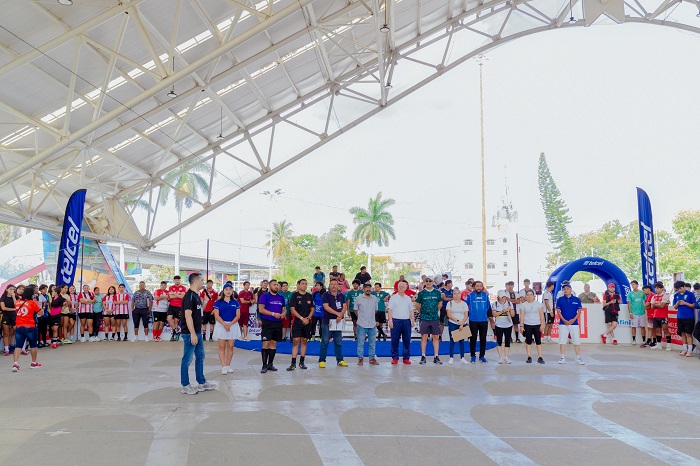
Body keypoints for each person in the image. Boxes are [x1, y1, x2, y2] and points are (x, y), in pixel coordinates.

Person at [180, 273, 214, 395]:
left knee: (200, 357)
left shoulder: (196, 296)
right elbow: (188, 316)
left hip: (198, 332)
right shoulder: (189, 296)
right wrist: (193, 334)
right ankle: (185, 385)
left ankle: (201, 382)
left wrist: (205, 301)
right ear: (195, 282)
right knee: (187, 359)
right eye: (201, 280)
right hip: (190, 333)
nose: (203, 282)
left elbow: (199, 312)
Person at [11, 285, 43, 372]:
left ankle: (15, 364)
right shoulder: (32, 302)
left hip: (19, 326)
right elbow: (41, 313)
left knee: (18, 346)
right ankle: (33, 363)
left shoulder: (17, 302)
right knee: (33, 345)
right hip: (30, 326)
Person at [258, 279, 285, 373]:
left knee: (273, 344)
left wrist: (283, 314)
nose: (276, 286)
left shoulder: (281, 297)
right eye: (274, 285)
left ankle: (270, 364)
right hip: (267, 322)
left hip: (277, 323)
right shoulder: (264, 296)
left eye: (277, 285)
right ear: (269, 286)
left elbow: (284, 309)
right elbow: (261, 309)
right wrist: (273, 314)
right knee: (266, 343)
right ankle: (264, 365)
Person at [319, 278, 348, 368]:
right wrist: (337, 314)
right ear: (329, 285)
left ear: (338, 285)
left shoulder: (341, 295)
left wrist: (341, 315)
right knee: (325, 341)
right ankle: (322, 360)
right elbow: (326, 307)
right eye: (332, 284)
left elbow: (344, 306)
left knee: (338, 341)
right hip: (328, 321)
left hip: (338, 322)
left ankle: (340, 360)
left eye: (335, 284)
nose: (334, 286)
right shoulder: (325, 295)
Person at [212, 283, 240, 374]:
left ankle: (228, 365)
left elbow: (238, 315)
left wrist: (230, 324)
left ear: (232, 291)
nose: (228, 291)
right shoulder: (218, 302)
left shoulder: (235, 302)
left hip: (232, 325)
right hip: (221, 325)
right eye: (226, 289)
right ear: (223, 291)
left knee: (231, 346)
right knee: (222, 346)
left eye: (230, 289)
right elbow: (216, 315)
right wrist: (224, 324)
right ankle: (223, 366)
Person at [287, 278, 315, 371]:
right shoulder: (294, 295)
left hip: (307, 322)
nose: (304, 285)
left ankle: (302, 362)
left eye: (306, 284)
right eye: (302, 283)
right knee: (296, 341)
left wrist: (308, 318)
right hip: (297, 322)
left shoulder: (309, 296)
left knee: (304, 341)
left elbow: (312, 309)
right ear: (298, 285)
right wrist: (301, 318)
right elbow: (292, 309)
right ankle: (293, 363)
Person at [554, 283, 585, 365]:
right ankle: (562, 357)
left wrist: (573, 319)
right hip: (563, 323)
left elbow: (579, 311)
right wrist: (564, 320)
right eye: (564, 289)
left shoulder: (576, 299)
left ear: (571, 290)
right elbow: (558, 311)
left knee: (576, 341)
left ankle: (578, 357)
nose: (566, 290)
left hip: (574, 323)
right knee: (562, 341)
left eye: (567, 289)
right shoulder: (560, 300)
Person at [415, 277, 443, 365]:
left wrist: (434, 312)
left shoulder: (437, 293)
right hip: (424, 318)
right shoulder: (421, 293)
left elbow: (440, 304)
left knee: (435, 337)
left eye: (430, 281)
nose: (428, 282)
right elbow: (417, 304)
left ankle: (436, 356)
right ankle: (423, 356)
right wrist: (422, 312)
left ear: (433, 282)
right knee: (424, 337)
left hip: (434, 318)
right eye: (426, 281)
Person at [387, 281, 415, 364]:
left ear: (406, 288)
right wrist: (390, 320)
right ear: (397, 287)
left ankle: (406, 357)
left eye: (403, 286)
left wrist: (412, 320)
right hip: (396, 321)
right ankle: (395, 357)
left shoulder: (408, 298)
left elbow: (411, 310)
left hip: (406, 321)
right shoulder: (393, 298)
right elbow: (390, 310)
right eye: (400, 286)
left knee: (407, 340)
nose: (401, 288)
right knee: (395, 340)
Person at [466, 281, 491, 363]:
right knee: (473, 339)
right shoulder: (470, 295)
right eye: (477, 286)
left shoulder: (485, 296)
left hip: (483, 320)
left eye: (480, 286)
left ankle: (482, 356)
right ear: (474, 287)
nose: (479, 288)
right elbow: (466, 307)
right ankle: (472, 356)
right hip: (473, 321)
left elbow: (487, 307)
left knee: (483, 339)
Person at [354, 283, 379, 365]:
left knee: (372, 343)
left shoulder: (374, 298)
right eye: (366, 288)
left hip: (372, 324)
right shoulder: (358, 298)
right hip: (361, 324)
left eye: (369, 288)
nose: (368, 289)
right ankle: (360, 358)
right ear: (363, 289)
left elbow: (375, 311)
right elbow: (355, 310)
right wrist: (362, 316)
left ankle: (372, 358)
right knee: (360, 343)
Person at [519, 289, 545, 364]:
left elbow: (541, 315)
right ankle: (529, 356)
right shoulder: (523, 305)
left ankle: (540, 357)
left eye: (531, 295)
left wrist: (542, 324)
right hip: (527, 325)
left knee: (538, 341)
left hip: (537, 324)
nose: (529, 296)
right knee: (528, 341)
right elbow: (522, 316)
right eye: (528, 295)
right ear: (525, 296)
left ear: (534, 296)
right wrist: (521, 326)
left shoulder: (538, 304)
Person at [672, 280, 695, 357]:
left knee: (688, 334)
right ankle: (684, 349)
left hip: (689, 317)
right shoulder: (676, 295)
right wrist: (677, 304)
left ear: (684, 286)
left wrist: (685, 303)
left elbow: (693, 305)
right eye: (678, 289)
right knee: (682, 333)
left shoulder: (690, 294)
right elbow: (674, 307)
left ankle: (689, 350)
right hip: (680, 316)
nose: (679, 290)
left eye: (680, 288)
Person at [446, 287, 468, 365]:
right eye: (455, 294)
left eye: (458, 293)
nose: (456, 295)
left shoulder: (464, 303)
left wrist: (462, 323)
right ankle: (451, 357)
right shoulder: (450, 303)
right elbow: (449, 314)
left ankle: (462, 357)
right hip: (453, 323)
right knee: (452, 340)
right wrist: (457, 321)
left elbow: (466, 315)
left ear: (460, 294)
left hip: (462, 323)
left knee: (462, 341)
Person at [492, 290, 514, 364]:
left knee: (507, 341)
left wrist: (509, 309)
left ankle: (506, 357)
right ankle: (500, 357)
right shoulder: (495, 304)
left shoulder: (509, 303)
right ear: (498, 297)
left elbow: (513, 314)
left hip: (508, 324)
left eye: (505, 297)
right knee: (499, 341)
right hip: (499, 325)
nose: (504, 298)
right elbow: (494, 314)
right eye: (502, 297)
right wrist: (502, 311)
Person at [649, 282, 672, 351]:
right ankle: (659, 345)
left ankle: (669, 345)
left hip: (663, 316)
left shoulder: (665, 296)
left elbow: (662, 306)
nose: (656, 289)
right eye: (655, 288)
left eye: (658, 288)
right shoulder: (654, 296)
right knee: (657, 330)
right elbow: (652, 307)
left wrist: (657, 305)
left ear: (662, 289)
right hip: (656, 316)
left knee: (665, 329)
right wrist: (659, 305)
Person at [626, 280, 646, 346]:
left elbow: (645, 301)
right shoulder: (630, 294)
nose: (633, 286)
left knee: (642, 326)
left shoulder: (642, 293)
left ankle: (644, 340)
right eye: (632, 285)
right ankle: (634, 340)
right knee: (633, 327)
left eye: (634, 284)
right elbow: (629, 304)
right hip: (634, 313)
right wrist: (630, 313)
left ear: (637, 285)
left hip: (642, 313)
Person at [167, 276, 186, 341]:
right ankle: (175, 331)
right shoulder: (171, 287)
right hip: (171, 306)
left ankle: (174, 335)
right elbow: (170, 297)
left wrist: (174, 293)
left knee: (176, 321)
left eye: (178, 280)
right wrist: (177, 294)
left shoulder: (183, 288)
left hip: (179, 306)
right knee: (169, 319)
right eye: (175, 280)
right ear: (174, 281)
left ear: (179, 280)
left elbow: (182, 297)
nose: (177, 281)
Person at [1, 284, 16, 355]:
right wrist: (13, 309)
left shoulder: (15, 297)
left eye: (13, 289)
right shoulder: (3, 298)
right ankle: (6, 349)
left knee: (11, 333)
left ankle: (10, 347)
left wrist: (13, 297)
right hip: (5, 316)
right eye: (10, 289)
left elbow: (17, 305)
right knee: (6, 333)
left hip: (13, 317)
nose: (12, 291)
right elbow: (3, 308)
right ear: (7, 289)